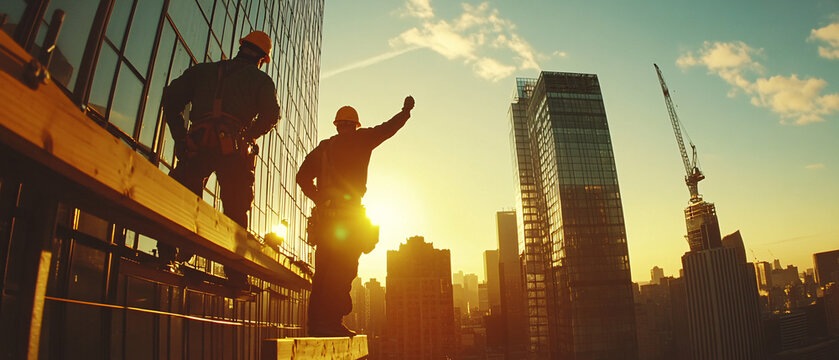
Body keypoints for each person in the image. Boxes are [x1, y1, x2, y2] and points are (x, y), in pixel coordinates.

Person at [157, 31, 280, 287]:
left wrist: (180, 139)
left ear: (241, 46)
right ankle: (235, 272)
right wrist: (246, 136)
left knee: (181, 196)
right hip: (233, 153)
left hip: (197, 145)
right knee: (236, 209)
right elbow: (271, 115)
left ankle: (168, 253)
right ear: (262, 58)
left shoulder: (203, 71)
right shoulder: (261, 81)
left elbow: (170, 99)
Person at [297, 96, 415, 337]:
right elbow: (388, 128)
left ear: (338, 125)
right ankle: (330, 323)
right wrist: (405, 111)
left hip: (326, 221)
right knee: (343, 272)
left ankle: (317, 324)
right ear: (355, 125)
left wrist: (320, 198)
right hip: (348, 221)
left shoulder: (324, 148)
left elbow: (302, 177)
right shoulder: (362, 139)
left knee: (324, 272)